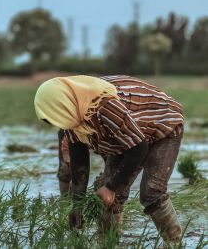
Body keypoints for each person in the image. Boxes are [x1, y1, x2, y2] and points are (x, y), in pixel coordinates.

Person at [34, 75, 184, 242]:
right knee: (108, 191)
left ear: (63, 105)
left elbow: (138, 148)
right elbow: (80, 162)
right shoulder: (72, 116)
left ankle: (174, 242)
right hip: (127, 136)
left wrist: (111, 187)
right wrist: (77, 204)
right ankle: (108, 242)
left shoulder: (104, 107)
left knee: (151, 192)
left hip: (162, 127)